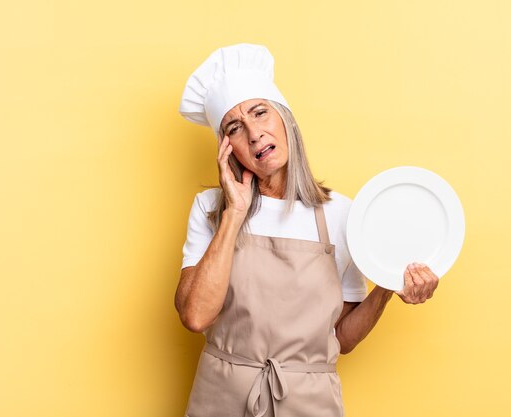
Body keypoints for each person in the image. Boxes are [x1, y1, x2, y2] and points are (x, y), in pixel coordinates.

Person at [175, 43, 440, 417]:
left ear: (286, 119)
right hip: (221, 398)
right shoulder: (210, 210)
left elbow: (342, 339)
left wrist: (387, 286)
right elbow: (195, 317)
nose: (254, 134)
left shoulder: (342, 215)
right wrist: (235, 212)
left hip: (309, 402)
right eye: (235, 128)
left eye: (260, 113)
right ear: (227, 148)